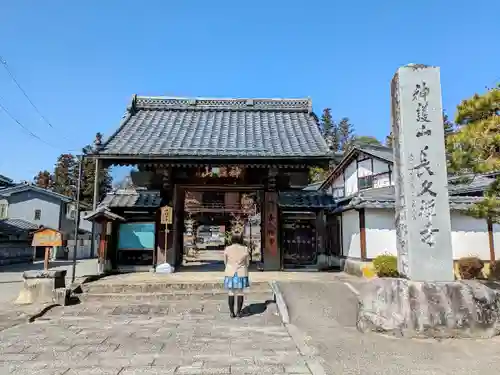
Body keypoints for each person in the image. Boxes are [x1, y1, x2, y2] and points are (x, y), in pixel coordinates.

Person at [223, 233, 250, 318]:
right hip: (241, 272)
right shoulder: (245, 249)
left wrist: (229, 266)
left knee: (231, 292)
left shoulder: (227, 249)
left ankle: (231, 313)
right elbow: (247, 262)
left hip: (230, 272)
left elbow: (225, 261)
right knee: (240, 292)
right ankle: (238, 312)